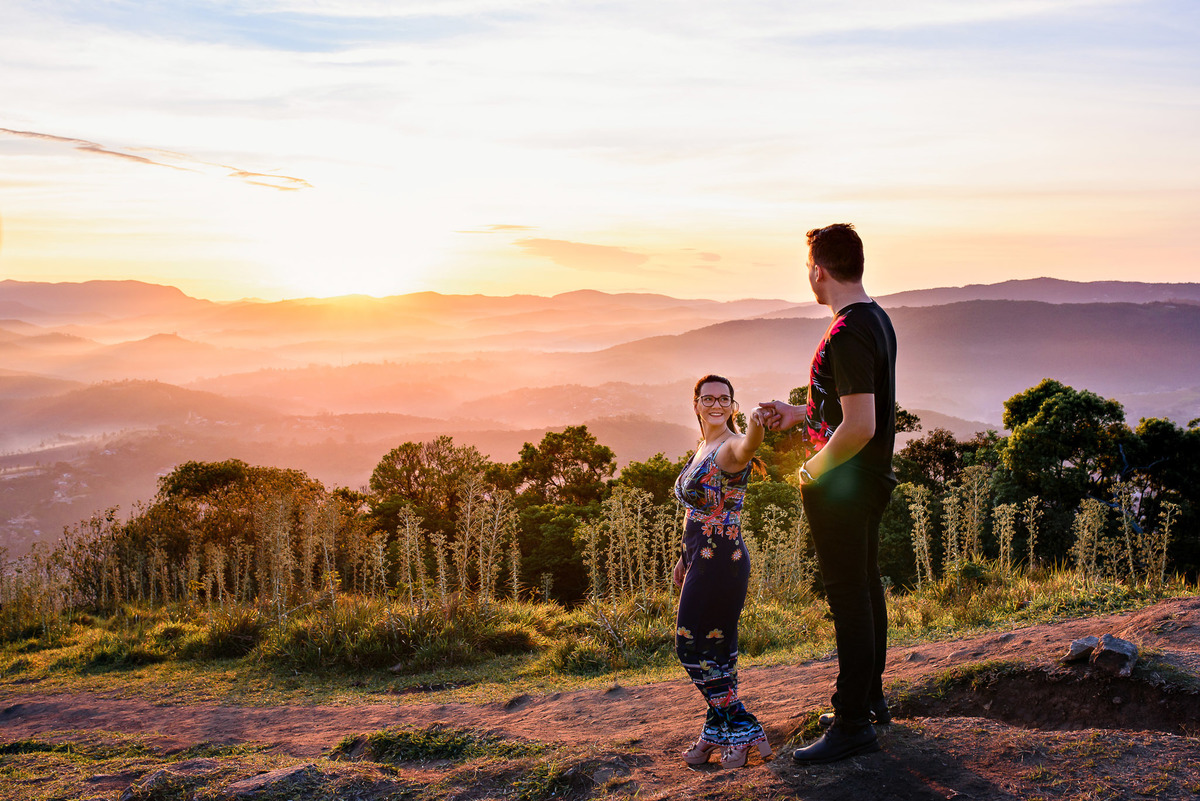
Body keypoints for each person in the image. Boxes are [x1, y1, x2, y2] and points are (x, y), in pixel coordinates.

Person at [759, 223, 898, 764]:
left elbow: (860, 425)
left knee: (848, 598)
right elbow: (852, 408)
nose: (808, 276)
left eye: (808, 267)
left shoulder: (846, 332)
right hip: (865, 480)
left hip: (846, 484)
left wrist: (811, 471)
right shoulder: (875, 318)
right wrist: (801, 414)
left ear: (819, 268)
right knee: (864, 587)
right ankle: (869, 701)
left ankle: (851, 723)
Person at [673, 374, 773, 769]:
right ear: (696, 403)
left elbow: (749, 445)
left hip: (723, 562)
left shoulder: (731, 446)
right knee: (717, 651)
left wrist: (754, 423)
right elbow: (694, 510)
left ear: (733, 405)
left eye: (724, 399)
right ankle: (717, 735)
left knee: (690, 646)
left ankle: (745, 729)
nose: (716, 405)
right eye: (708, 398)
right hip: (702, 558)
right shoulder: (704, 446)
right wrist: (683, 555)